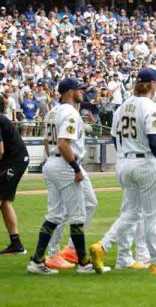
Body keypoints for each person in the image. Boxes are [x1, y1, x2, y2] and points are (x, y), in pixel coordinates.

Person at [90, 68, 156, 275]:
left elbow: (114, 136)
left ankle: (103, 245)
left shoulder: (123, 106)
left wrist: (125, 152)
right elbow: (153, 140)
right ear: (151, 84)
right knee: (152, 216)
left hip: (124, 162)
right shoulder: (150, 106)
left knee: (130, 213)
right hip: (145, 163)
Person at [27, 78, 100, 275]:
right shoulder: (70, 112)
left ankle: (38, 260)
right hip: (65, 162)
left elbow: (46, 142)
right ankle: (83, 263)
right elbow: (63, 143)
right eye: (79, 89)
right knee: (77, 215)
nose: (82, 92)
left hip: (52, 161)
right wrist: (76, 168)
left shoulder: (53, 111)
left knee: (55, 214)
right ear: (69, 92)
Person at [0, 110, 30, 254]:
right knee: (5, 202)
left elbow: (0, 150)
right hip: (14, 159)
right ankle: (16, 244)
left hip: (14, 160)